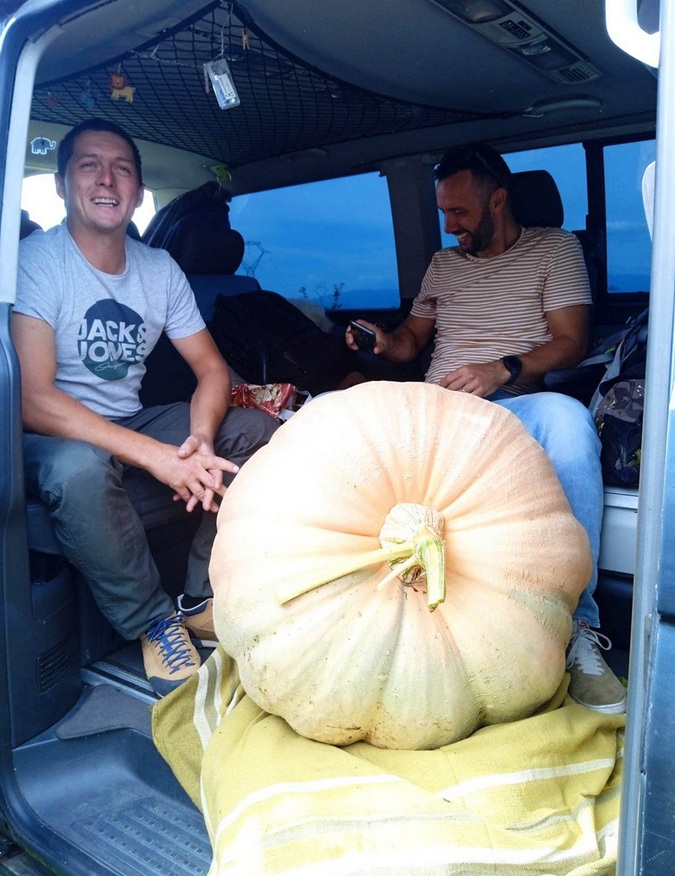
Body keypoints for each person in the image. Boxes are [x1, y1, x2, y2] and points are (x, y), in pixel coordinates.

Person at [346, 143, 626, 715]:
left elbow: (571, 341)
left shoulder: (555, 249)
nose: (450, 226)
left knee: (569, 422)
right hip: (436, 411)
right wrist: (384, 341)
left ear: (498, 200)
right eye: (443, 213)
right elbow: (411, 343)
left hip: (513, 404)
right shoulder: (444, 264)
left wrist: (502, 369)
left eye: (460, 212)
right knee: (332, 410)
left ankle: (579, 627)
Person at [13, 118, 279, 696]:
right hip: (51, 434)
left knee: (257, 429)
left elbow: (212, 370)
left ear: (137, 192)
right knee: (79, 467)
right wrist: (157, 457)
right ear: (61, 184)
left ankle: (200, 596)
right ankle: (154, 623)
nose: (106, 180)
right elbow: (33, 399)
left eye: (122, 170)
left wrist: (199, 439)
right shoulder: (37, 261)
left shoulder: (158, 269)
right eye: (89, 166)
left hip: (130, 420)